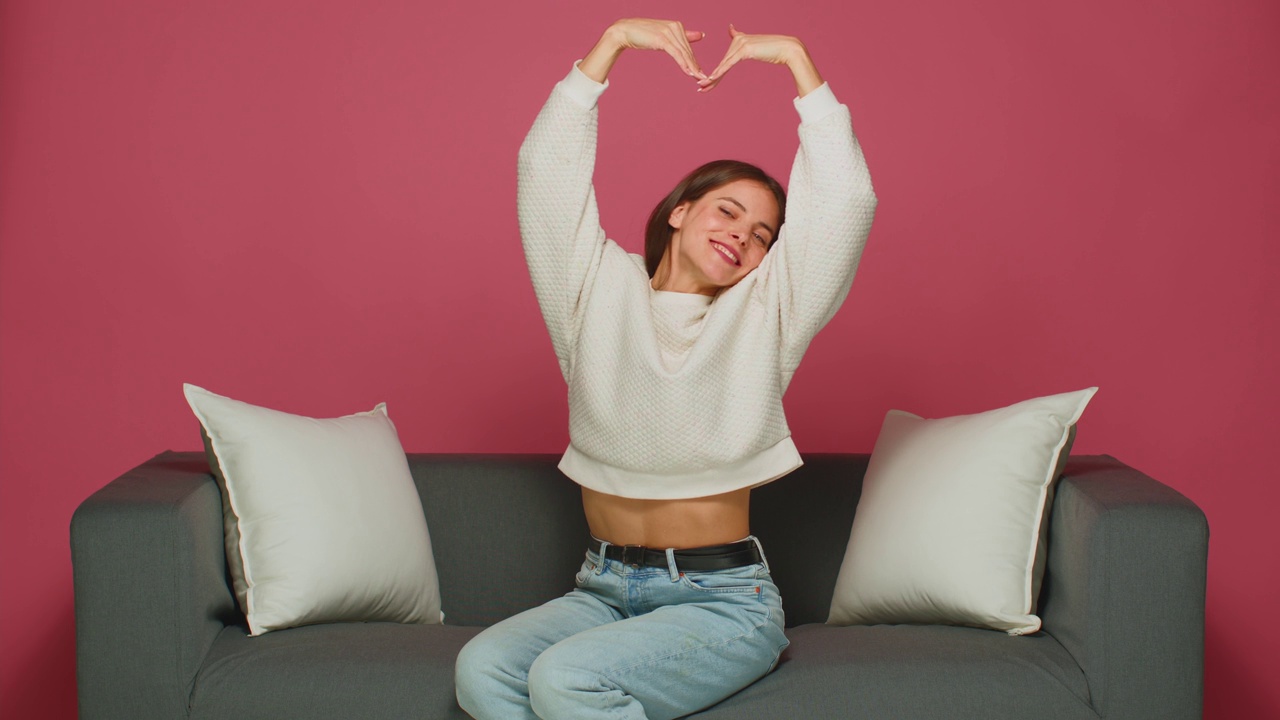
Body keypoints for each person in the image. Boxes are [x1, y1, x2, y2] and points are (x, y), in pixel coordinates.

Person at [454, 17, 877, 720]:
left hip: (720, 600)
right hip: (602, 587)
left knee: (563, 681)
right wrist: (611, 44)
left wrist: (801, 67)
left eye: (762, 233)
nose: (743, 234)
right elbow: (544, 173)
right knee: (482, 672)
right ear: (680, 212)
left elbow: (846, 206)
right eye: (728, 211)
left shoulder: (767, 316)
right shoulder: (593, 289)